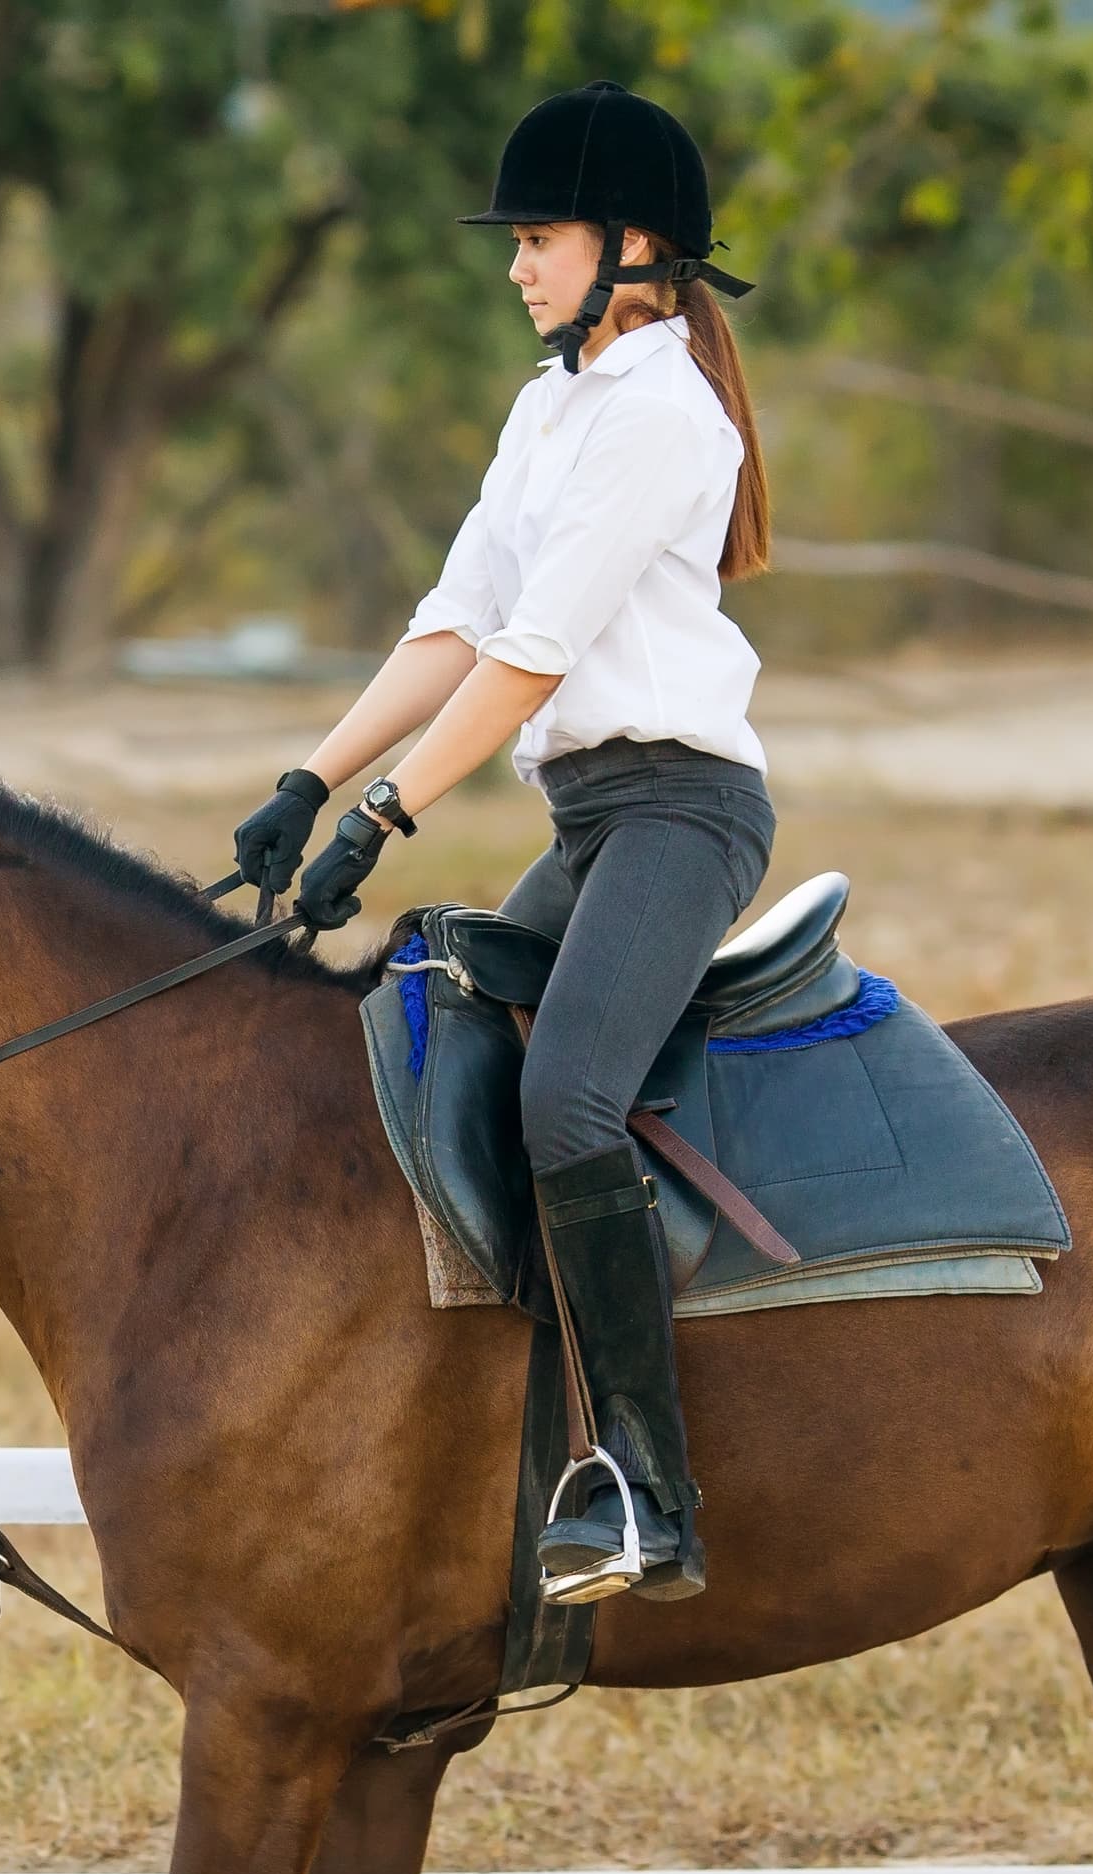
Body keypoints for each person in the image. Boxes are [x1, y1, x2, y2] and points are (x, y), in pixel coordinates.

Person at [233, 79, 772, 1608]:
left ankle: (653, 1494)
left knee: (567, 1098)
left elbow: (533, 657)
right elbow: (456, 624)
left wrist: (387, 815)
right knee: (435, 1051)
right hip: (591, 817)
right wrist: (310, 779)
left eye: (540, 237)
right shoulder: (551, 406)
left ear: (633, 246)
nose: (517, 265)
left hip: (679, 812)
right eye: (519, 241)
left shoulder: (663, 413)